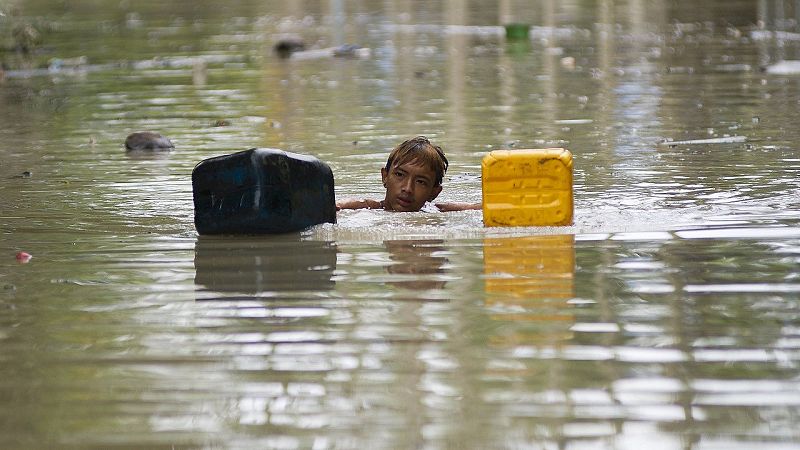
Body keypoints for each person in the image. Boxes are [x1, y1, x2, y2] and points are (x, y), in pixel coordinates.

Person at [336, 136, 481, 212]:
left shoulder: (434, 210)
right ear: (385, 176)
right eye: (400, 175)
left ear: (434, 193)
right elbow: (347, 204)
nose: (408, 188)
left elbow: (474, 208)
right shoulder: (372, 208)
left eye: (421, 182)